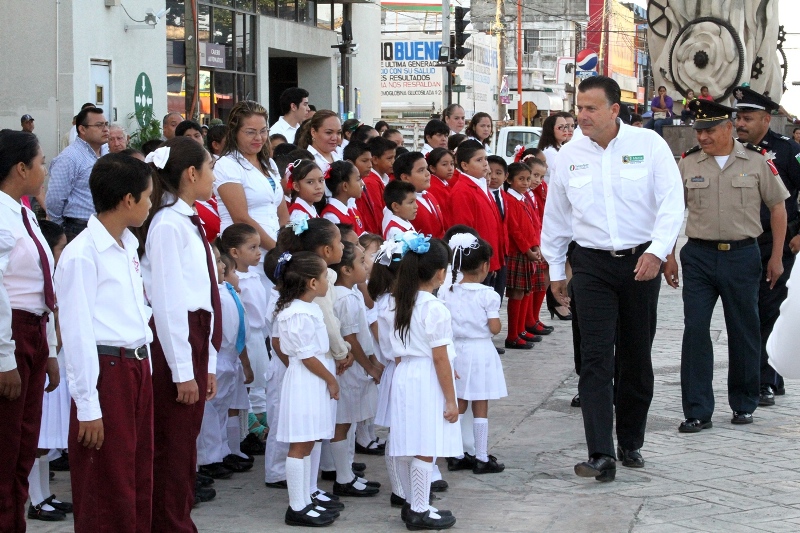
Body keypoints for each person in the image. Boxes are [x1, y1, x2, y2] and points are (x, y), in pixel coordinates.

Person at [541, 76, 684, 481]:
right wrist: (555, 271)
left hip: (641, 264)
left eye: (589, 108)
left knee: (636, 357)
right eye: (578, 108)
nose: (580, 116)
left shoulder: (649, 145)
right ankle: (600, 454)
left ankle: (631, 440)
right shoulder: (569, 155)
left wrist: (658, 251)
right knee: (596, 358)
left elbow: (673, 202)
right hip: (591, 266)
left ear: (613, 110)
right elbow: (556, 217)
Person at [664, 99, 789, 432]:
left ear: (729, 128)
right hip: (700, 257)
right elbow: (672, 211)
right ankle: (697, 410)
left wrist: (775, 256)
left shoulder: (757, 162)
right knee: (695, 331)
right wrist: (669, 254)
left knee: (744, 329)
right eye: (699, 131)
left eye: (709, 130)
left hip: (742, 256)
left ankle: (744, 403)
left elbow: (778, 208)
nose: (702, 137)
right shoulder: (688, 164)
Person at [55, 153, 154, 532]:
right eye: (146, 196)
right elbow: (78, 335)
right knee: (107, 483)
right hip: (107, 372)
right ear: (127, 200)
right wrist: (88, 407)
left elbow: (135, 311)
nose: (149, 204)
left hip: (135, 366)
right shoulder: (83, 254)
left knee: (137, 476)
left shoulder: (126, 243)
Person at [139, 138, 220, 532]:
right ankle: (169, 523)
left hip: (195, 333)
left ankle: (177, 519)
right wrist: (182, 370)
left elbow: (204, 296)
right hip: (178, 337)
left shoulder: (187, 218)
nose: (213, 175)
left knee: (184, 445)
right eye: (209, 167)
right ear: (191, 174)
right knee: (171, 447)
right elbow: (169, 303)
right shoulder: (168, 224)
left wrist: (209, 363)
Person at [0, 130, 57, 532]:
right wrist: (4, 357)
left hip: (33, 331)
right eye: (40, 162)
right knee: (5, 450)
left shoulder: (24, 212)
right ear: (21, 168)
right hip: (12, 333)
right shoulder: (2, 215)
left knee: (24, 447)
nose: (44, 170)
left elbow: (43, 282)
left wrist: (50, 348)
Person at [733, 86, 800, 406]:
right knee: (748, 313)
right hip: (742, 245)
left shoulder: (787, 150)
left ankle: (765, 379)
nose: (740, 124)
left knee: (770, 312)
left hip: (779, 244)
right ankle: (764, 376)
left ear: (765, 119)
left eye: (747, 118)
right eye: (738, 118)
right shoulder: (731, 150)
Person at [388, 235, 459, 530]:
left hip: (405, 374)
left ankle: (411, 502)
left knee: (408, 441)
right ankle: (419, 507)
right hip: (426, 377)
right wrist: (451, 399)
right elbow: (440, 359)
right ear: (440, 274)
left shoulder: (399, 303)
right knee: (425, 443)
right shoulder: (434, 308)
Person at [272, 251, 340, 527]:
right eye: (324, 276)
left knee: (310, 440)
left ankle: (306, 497)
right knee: (300, 444)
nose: (328, 280)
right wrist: (331, 380)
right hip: (308, 380)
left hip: (313, 379)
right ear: (312, 283)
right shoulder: (296, 313)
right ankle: (297, 506)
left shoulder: (308, 307)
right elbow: (306, 356)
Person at [440, 233, 506, 473]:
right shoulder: (488, 294)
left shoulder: (448, 292)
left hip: (457, 350)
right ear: (485, 265)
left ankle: (456, 453)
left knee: (459, 401)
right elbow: (494, 328)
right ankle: (481, 455)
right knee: (481, 402)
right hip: (480, 352)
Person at [214, 100, 289, 292]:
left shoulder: (269, 164)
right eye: (250, 132)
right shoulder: (227, 165)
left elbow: (282, 213)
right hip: (246, 257)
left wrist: (286, 246)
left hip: (275, 254)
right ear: (234, 132)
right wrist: (277, 250)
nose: (259, 137)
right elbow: (241, 217)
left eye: (263, 131)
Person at [330, 242, 382, 497]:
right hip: (349, 369)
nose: (367, 265)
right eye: (362, 261)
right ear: (347, 270)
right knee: (342, 421)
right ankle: (342, 477)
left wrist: (373, 359)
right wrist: (370, 366)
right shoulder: (344, 298)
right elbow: (350, 337)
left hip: (356, 366)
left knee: (349, 420)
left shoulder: (352, 294)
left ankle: (346, 471)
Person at [28, 220, 70, 523]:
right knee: (37, 438)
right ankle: (35, 499)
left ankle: (44, 495)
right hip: (48, 360)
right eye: (60, 248)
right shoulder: (43, 281)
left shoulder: (58, 277)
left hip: (60, 362)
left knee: (45, 437)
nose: (64, 253)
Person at [46, 106, 110, 237]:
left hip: (103, 225)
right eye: (99, 125)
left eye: (106, 124)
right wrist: (61, 228)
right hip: (78, 228)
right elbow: (54, 200)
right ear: (82, 129)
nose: (105, 129)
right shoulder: (69, 158)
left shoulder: (105, 152)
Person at [447, 140, 506, 279]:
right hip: (477, 264)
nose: (485, 163)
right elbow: (465, 231)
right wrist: (478, 263)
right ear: (465, 165)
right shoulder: (462, 191)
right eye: (479, 160)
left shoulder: (481, 184)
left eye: (485, 158)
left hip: (491, 260)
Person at [499, 163, 539, 350]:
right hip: (519, 252)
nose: (525, 183)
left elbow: (531, 224)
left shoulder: (522, 198)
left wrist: (536, 245)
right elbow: (514, 229)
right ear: (509, 180)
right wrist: (527, 249)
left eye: (527, 179)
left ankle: (521, 329)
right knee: (517, 292)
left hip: (528, 250)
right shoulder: (510, 199)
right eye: (521, 179)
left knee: (526, 291)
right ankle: (512, 335)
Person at [395, 152, 445, 239]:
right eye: (421, 170)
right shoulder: (400, 205)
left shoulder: (429, 196)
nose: (428, 174)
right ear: (405, 177)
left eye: (426, 169)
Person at [321, 160, 366, 234]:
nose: (362, 183)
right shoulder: (331, 216)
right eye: (358, 179)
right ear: (345, 186)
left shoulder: (352, 210)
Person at [298, 110, 343, 175]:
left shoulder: (338, 156)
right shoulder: (306, 160)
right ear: (313, 132)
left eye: (338, 133)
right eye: (329, 132)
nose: (335, 138)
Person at [537, 113, 570, 183]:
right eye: (560, 127)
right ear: (550, 130)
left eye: (566, 126)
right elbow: (559, 176)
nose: (565, 130)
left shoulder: (561, 148)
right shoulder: (549, 152)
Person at [426, 148, 455, 212]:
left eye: (452, 164)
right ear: (432, 168)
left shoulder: (443, 183)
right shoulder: (434, 187)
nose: (450, 168)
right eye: (444, 164)